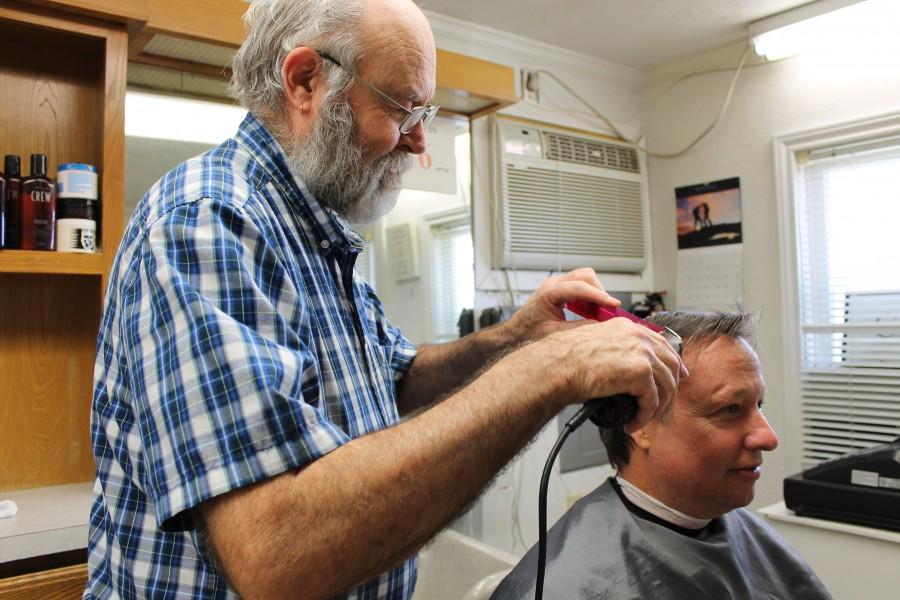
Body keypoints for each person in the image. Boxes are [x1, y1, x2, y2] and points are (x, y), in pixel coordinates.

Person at [84, 1, 684, 598]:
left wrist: (517, 337)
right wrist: (543, 373)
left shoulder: (319, 232)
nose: (420, 139)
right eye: (403, 108)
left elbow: (393, 378)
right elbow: (277, 555)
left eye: (427, 111)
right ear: (305, 81)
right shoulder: (210, 222)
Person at [492, 311, 833, 600]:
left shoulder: (743, 532)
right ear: (642, 424)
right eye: (730, 409)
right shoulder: (562, 584)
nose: (768, 437)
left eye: (759, 406)